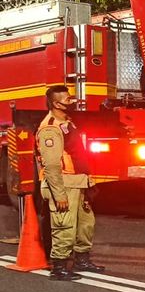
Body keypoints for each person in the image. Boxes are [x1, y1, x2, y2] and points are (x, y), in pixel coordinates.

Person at [37, 85, 104, 281]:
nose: (72, 102)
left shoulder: (67, 123)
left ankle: (82, 260)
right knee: (64, 226)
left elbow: (77, 155)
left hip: (78, 182)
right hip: (64, 185)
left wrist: (89, 182)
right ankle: (59, 267)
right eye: (67, 100)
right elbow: (50, 165)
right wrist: (59, 194)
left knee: (85, 224)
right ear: (56, 103)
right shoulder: (50, 128)